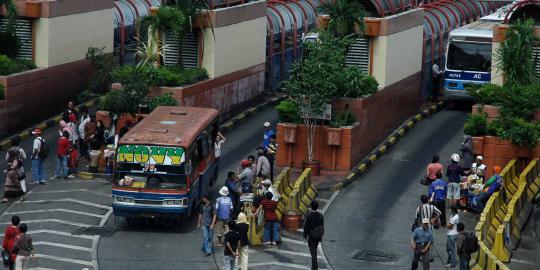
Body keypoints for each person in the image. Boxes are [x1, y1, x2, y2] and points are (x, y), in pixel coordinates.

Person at [304, 201, 324, 270]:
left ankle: (315, 267)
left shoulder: (309, 216)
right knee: (314, 251)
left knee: (313, 253)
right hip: (318, 236)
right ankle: (313, 266)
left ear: (311, 207)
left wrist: (304, 235)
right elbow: (322, 227)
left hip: (311, 236)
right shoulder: (321, 216)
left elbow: (306, 227)